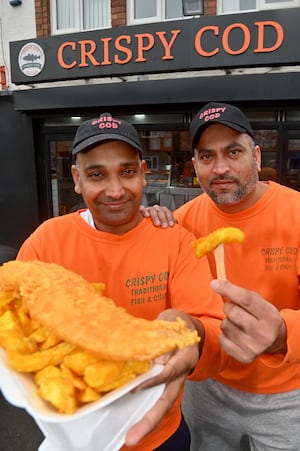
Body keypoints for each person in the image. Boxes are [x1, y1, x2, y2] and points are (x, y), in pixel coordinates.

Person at [16, 112, 228, 451]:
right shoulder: (46, 241)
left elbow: (212, 332)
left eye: (127, 172)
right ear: (77, 178)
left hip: (161, 434)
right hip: (74, 436)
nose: (115, 191)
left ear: (144, 174)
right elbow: (13, 323)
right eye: (97, 174)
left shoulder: (175, 240)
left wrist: (190, 330)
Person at [141, 102, 300, 450]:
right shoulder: (179, 222)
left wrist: (284, 332)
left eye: (233, 152)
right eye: (207, 156)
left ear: (256, 157)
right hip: (206, 388)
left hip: (288, 394)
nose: (221, 168)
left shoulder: (296, 213)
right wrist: (141, 224)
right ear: (195, 165)